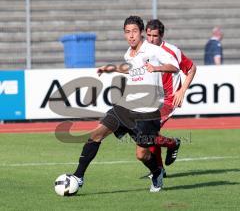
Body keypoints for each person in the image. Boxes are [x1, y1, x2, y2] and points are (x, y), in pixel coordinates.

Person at [71, 16, 180, 193]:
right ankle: (78, 176)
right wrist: (111, 68)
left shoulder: (153, 50)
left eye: (134, 31)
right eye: (127, 32)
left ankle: (157, 172)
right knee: (96, 134)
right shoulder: (128, 53)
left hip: (147, 112)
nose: (131, 36)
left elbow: (174, 66)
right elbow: (131, 68)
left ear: (141, 32)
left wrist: (157, 68)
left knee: (142, 155)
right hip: (125, 107)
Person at [141, 19, 197, 178]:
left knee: (148, 134)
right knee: (150, 133)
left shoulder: (172, 51)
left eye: (155, 36)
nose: (151, 39)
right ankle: (159, 170)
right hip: (152, 99)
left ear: (162, 35)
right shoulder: (144, 50)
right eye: (149, 35)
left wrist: (182, 91)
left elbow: (192, 68)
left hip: (169, 99)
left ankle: (171, 146)